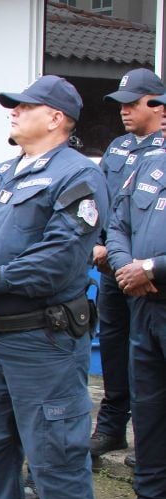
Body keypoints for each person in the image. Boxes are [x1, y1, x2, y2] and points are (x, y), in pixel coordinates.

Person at [0, 75, 107, 499]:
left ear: (56, 118)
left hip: (44, 341)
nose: (13, 112)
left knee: (56, 457)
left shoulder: (78, 174)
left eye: (24, 106)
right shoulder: (0, 171)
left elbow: (60, 256)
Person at [91, 68, 166, 459]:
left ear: (157, 104)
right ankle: (111, 426)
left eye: (132, 103)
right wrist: (104, 247)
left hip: (152, 280)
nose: (124, 112)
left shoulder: (160, 149)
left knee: (147, 363)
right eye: (120, 105)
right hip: (113, 270)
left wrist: (144, 266)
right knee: (115, 349)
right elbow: (109, 208)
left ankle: (148, 440)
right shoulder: (119, 147)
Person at [101, 92, 166, 499]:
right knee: (150, 410)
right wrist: (129, 265)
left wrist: (152, 267)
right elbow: (119, 222)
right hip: (146, 306)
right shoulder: (148, 163)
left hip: (154, 285)